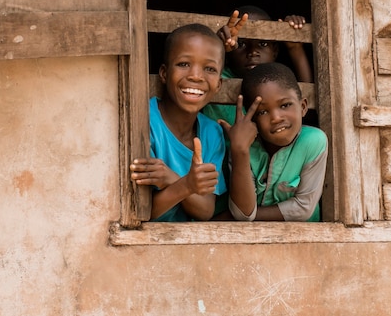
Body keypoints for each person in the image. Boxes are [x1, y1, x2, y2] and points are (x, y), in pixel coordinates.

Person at [130, 23, 227, 221]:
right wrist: (188, 186)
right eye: (184, 64)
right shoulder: (144, 122)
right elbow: (141, 214)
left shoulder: (211, 133)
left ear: (219, 84)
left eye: (209, 68)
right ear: (164, 74)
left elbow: (206, 210)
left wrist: (172, 179)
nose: (196, 76)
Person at [219, 62, 327, 221]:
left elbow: (303, 208)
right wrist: (239, 150)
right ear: (252, 118)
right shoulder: (242, 146)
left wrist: (240, 217)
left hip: (304, 239)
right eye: (262, 111)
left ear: (303, 107)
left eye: (285, 105)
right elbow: (243, 213)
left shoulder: (313, 141)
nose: (276, 118)